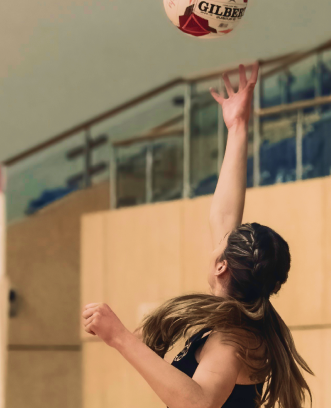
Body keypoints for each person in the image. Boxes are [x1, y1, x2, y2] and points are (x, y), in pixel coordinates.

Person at [82, 63, 313, 408]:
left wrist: (119, 337)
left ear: (222, 267)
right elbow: (223, 213)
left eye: (222, 243)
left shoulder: (230, 341)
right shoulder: (241, 319)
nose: (219, 236)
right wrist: (237, 128)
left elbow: (198, 403)